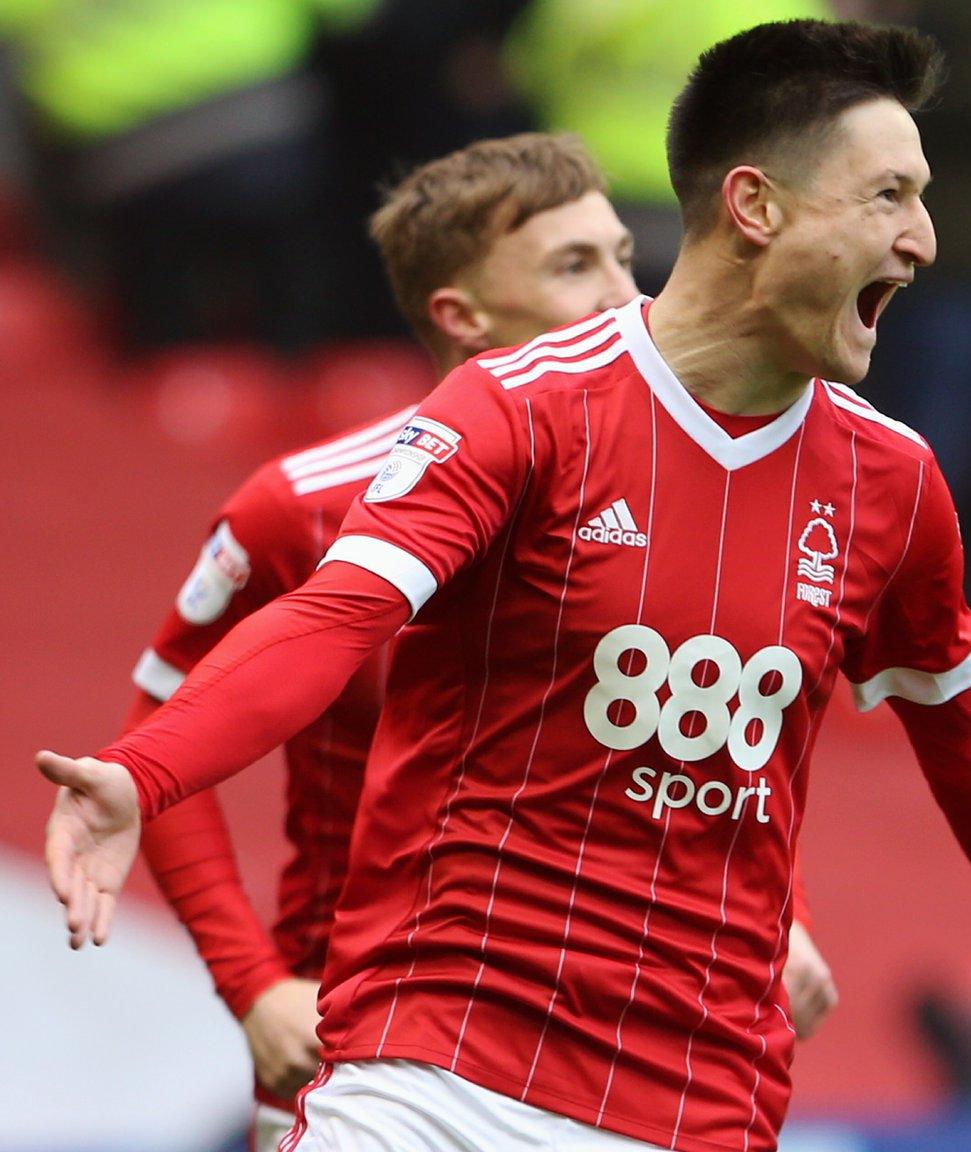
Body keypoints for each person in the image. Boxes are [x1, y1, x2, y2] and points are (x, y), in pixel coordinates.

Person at [39, 19, 971, 1152]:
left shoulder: (893, 479)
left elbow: (965, 726)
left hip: (703, 1101)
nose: (922, 237)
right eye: (888, 196)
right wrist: (145, 777)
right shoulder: (523, 409)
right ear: (753, 205)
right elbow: (339, 614)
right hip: (442, 1069)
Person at [118, 131, 836, 1150]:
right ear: (462, 317)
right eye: (572, 266)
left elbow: (716, 736)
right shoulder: (303, 509)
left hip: (621, 1045)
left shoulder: (682, 496)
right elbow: (160, 738)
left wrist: (784, 910)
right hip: (376, 1039)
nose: (623, 296)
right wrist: (256, 988)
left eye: (624, 259)